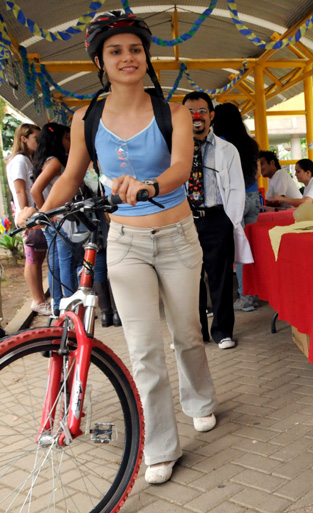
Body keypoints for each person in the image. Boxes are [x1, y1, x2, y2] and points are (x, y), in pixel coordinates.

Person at [17, 11, 217, 485]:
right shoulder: (86, 118)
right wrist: (36, 209)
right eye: (115, 51)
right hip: (125, 242)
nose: (127, 58)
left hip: (176, 236)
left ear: (146, 57)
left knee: (187, 332)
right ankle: (161, 446)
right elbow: (69, 177)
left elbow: (180, 169)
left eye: (134, 49)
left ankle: (200, 400)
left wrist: (148, 186)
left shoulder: (175, 112)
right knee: (144, 347)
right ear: (100, 62)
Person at [182, 91, 253, 349]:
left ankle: (222, 331)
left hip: (217, 218)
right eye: (189, 112)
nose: (196, 117)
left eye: (201, 111)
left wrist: (229, 221)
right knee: (188, 279)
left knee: (220, 277)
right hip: (185, 220)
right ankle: (196, 331)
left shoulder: (227, 149)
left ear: (211, 115)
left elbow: (235, 187)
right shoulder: (174, 149)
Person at [212, 102, 260, 313]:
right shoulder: (250, 143)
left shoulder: (221, 144)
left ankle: (246, 298)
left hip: (234, 201)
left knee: (240, 250)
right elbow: (257, 174)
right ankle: (258, 292)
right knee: (255, 249)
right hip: (253, 198)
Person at [6, 122, 51, 316]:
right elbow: (19, 189)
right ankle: (38, 301)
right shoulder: (20, 161)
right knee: (33, 258)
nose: (39, 142)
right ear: (23, 138)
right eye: (35, 138)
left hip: (34, 215)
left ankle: (40, 300)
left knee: (37, 257)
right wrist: (25, 214)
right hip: (30, 216)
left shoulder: (27, 159)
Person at [30, 123, 75, 316]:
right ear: (57, 139)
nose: (70, 142)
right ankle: (71, 306)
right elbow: (35, 190)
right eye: (66, 138)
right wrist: (47, 215)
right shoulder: (55, 162)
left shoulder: (44, 160)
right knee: (65, 261)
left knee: (56, 262)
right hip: (57, 220)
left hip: (53, 220)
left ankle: (58, 305)